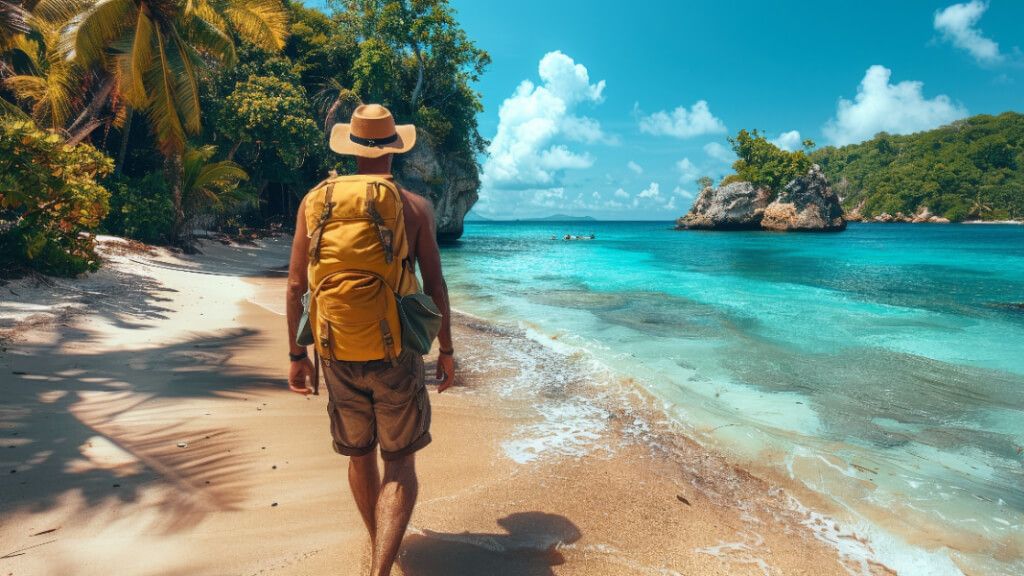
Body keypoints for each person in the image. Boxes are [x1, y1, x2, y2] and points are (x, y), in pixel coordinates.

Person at [284, 104, 455, 576]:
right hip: (396, 352)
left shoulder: (315, 200)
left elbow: (297, 286)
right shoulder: (414, 206)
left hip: (335, 349)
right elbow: (435, 288)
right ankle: (379, 569)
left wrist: (298, 355)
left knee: (360, 456)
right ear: (395, 150)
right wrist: (447, 350)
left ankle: (376, 545)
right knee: (399, 463)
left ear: (352, 147)